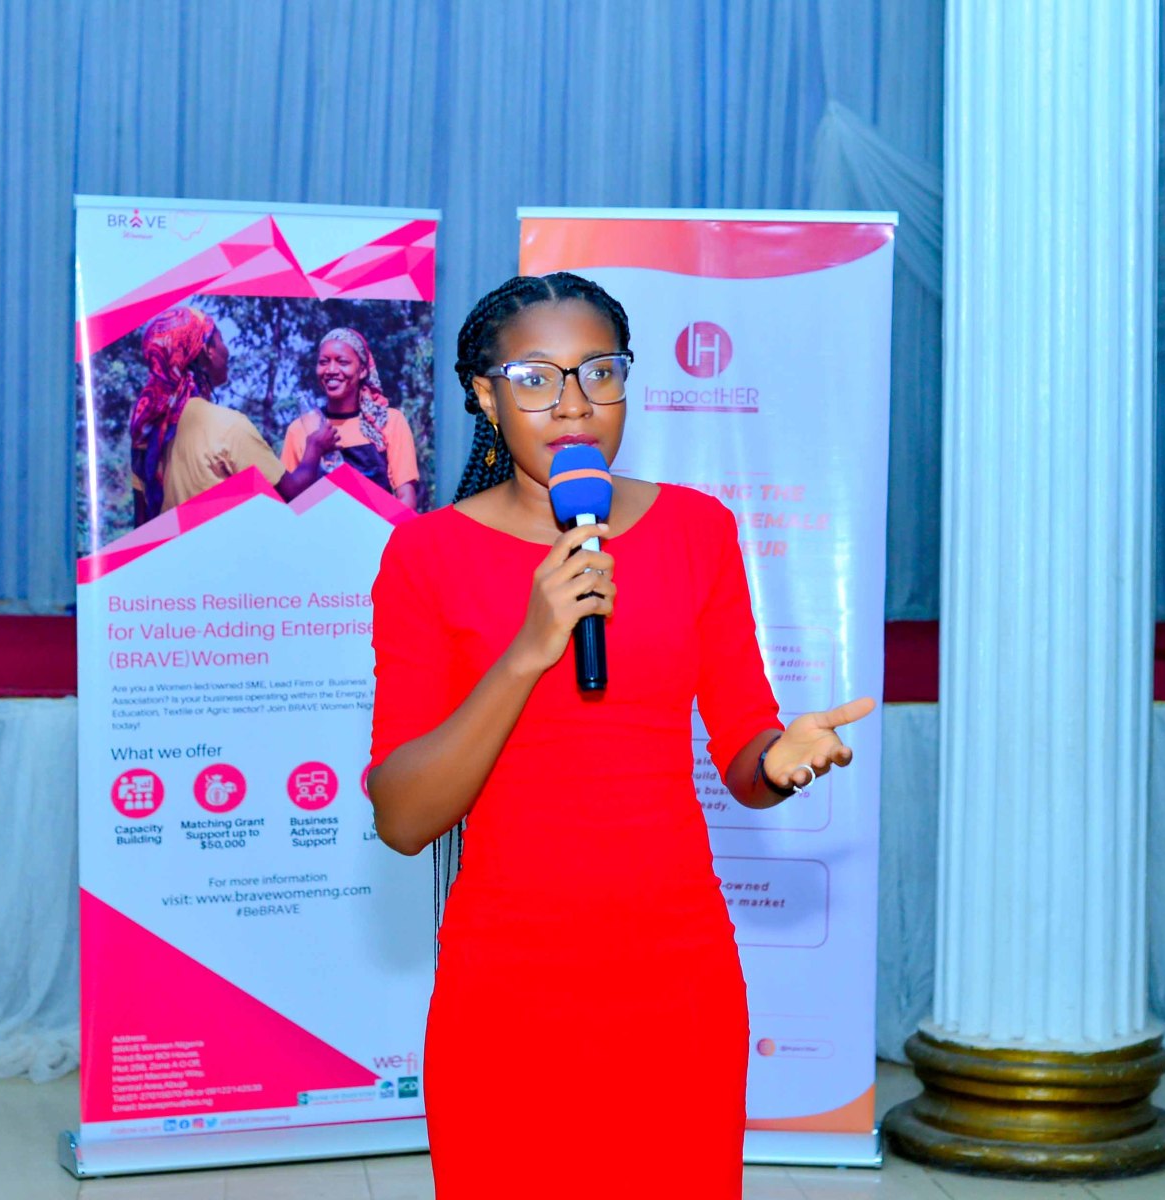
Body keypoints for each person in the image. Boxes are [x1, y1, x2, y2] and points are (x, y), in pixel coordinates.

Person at [366, 273, 874, 1198]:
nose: (574, 404)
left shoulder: (696, 529)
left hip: (675, 969)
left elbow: (744, 746)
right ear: (485, 395)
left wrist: (778, 760)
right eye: (535, 378)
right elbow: (403, 818)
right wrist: (529, 651)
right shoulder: (426, 556)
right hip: (507, 975)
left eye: (600, 372)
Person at [129, 305, 338, 525]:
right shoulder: (226, 425)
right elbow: (292, 493)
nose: (227, 351)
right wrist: (315, 446)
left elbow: (141, 522)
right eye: (221, 340)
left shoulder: (147, 430)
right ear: (207, 350)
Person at [279, 327, 420, 509]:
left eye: (342, 362)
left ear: (362, 370)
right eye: (323, 362)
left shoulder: (388, 422)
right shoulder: (300, 429)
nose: (331, 370)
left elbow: (407, 499)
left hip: (379, 526)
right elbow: (287, 500)